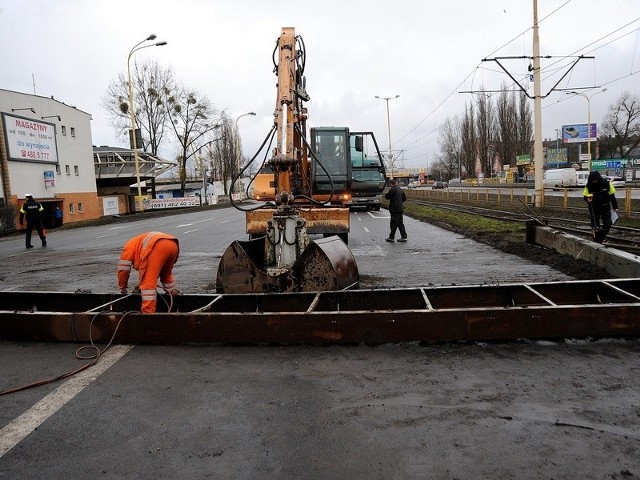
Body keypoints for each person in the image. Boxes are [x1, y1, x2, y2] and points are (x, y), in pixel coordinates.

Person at [117, 231, 181, 313]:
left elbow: (123, 270)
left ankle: (148, 313)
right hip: (173, 244)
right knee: (166, 275)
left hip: (156, 245)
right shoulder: (137, 243)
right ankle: (173, 294)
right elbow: (161, 274)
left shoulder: (128, 248)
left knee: (148, 282)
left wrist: (123, 289)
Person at [583, 171, 618, 243]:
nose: (594, 181)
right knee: (595, 225)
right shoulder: (588, 186)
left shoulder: (607, 183)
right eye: (593, 180)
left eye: (595, 180)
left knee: (608, 224)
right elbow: (585, 196)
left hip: (605, 207)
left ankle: (600, 237)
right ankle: (597, 240)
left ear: (599, 178)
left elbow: (612, 195)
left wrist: (615, 206)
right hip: (594, 207)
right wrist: (587, 198)